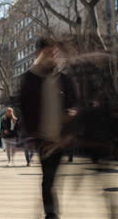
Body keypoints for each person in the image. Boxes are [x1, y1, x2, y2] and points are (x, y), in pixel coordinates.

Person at [20, 37, 77, 219]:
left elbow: (75, 102)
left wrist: (72, 113)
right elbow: (25, 109)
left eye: (54, 53)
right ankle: (50, 213)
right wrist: (31, 136)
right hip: (43, 138)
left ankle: (50, 210)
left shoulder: (64, 78)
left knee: (52, 178)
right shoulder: (30, 78)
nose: (52, 56)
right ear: (39, 54)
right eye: (48, 53)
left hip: (61, 137)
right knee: (48, 178)